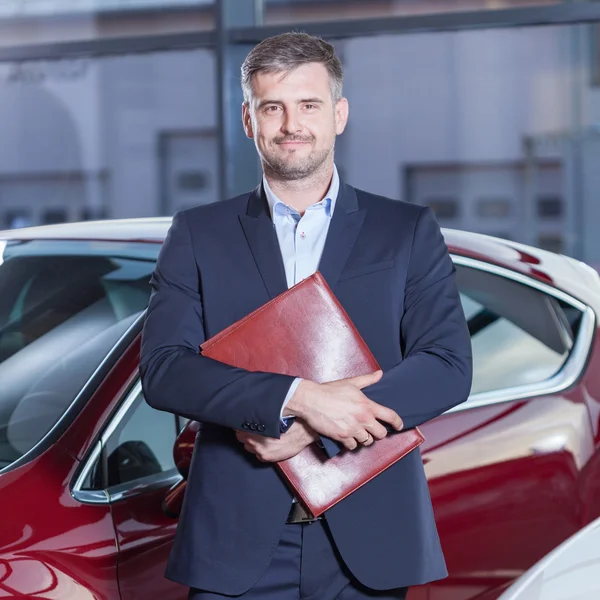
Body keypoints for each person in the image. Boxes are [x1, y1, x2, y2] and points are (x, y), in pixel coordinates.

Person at [140, 32, 472, 600]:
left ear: (339, 114)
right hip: (236, 545)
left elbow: (446, 367)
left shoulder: (405, 230)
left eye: (309, 105)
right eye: (273, 107)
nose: (292, 123)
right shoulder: (198, 234)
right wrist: (297, 398)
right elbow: (166, 370)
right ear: (250, 120)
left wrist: (310, 432)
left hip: (368, 539)